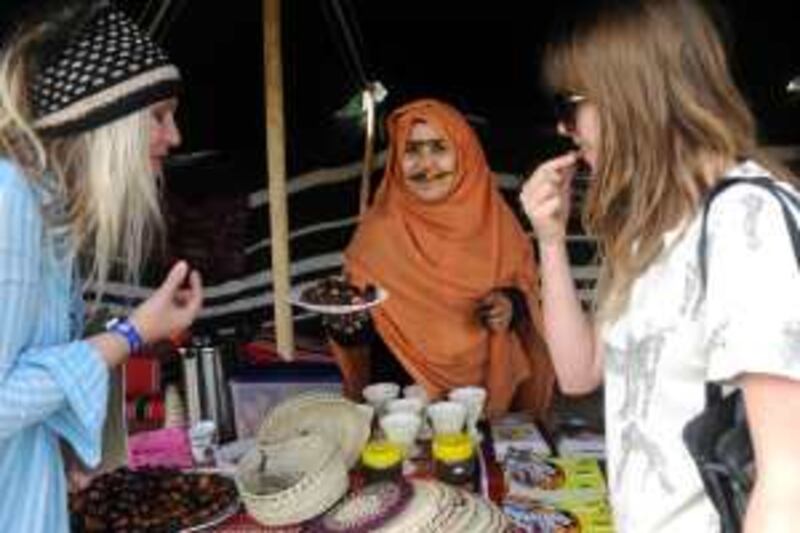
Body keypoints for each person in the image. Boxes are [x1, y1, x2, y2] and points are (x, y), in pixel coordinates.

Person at [519, 0, 800, 531]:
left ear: (632, 95)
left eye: (569, 103)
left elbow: (789, 486)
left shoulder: (745, 222)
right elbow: (579, 373)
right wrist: (551, 241)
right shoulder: (651, 226)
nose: (564, 128)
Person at [0, 2, 203, 531]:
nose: (174, 137)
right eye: (157, 116)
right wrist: (134, 334)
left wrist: (57, 448)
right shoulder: (10, 200)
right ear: (105, 121)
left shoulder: (46, 207)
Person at [326, 98, 555, 419]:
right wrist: (343, 323)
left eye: (439, 148)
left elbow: (529, 301)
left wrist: (510, 305)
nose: (426, 164)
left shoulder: (499, 224)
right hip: (402, 404)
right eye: (412, 150)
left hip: (487, 396)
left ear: (465, 152)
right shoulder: (376, 234)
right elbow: (360, 338)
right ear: (396, 160)